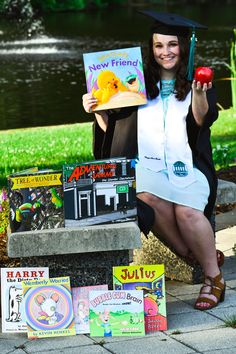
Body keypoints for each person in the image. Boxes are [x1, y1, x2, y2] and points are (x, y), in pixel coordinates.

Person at [82, 10, 225, 311]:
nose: (165, 52)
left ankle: (213, 277)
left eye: (172, 45)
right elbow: (115, 131)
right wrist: (96, 108)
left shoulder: (197, 82)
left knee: (187, 211)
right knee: (145, 194)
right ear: (152, 49)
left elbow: (201, 119)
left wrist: (199, 92)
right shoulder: (137, 84)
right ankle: (193, 253)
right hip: (150, 167)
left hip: (189, 166)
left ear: (183, 47)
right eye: (159, 46)